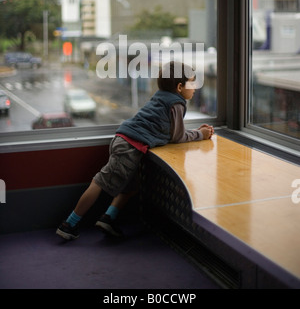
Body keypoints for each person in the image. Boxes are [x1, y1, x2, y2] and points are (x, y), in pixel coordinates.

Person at [56, 61, 214, 240]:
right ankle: (69, 224)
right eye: (192, 83)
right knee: (100, 182)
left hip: (125, 141)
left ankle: (108, 218)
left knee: (132, 187)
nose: (195, 88)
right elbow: (177, 137)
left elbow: (168, 131)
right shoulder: (177, 104)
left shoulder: (161, 96)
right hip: (130, 147)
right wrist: (200, 134)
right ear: (179, 87)